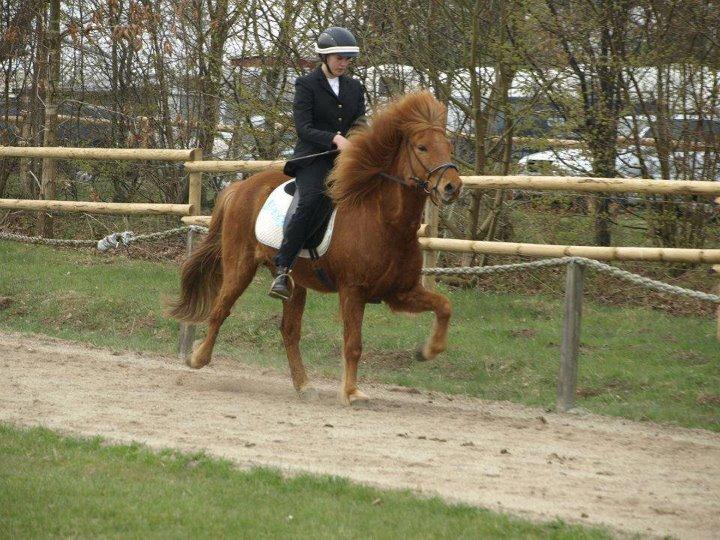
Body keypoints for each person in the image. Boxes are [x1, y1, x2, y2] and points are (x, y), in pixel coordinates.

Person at [269, 26, 367, 300]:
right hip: (313, 158)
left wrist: (360, 139)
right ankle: (283, 267)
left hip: (346, 161)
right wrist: (334, 138)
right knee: (312, 200)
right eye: (339, 58)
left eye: (347, 59)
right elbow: (303, 127)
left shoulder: (355, 87)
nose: (344, 64)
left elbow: (359, 121)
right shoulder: (306, 84)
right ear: (324, 57)